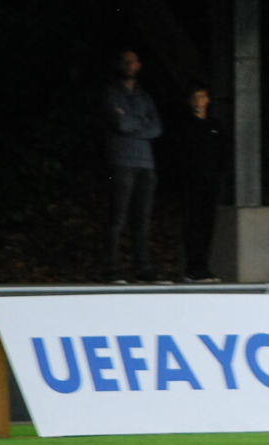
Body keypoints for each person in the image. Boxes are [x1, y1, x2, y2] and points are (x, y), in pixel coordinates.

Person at [102, 49, 163, 283]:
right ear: (119, 65)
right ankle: (111, 269)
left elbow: (156, 128)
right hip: (120, 162)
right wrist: (140, 123)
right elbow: (119, 123)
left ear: (139, 65)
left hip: (146, 164)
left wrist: (130, 121)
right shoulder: (110, 93)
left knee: (142, 220)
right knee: (117, 218)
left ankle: (143, 268)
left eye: (134, 62)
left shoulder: (145, 97)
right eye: (126, 62)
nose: (130, 65)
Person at [171, 84, 226, 283]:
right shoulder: (184, 125)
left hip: (210, 184)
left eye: (201, 97)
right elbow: (179, 155)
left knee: (207, 226)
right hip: (191, 184)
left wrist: (218, 175)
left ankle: (203, 266)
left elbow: (223, 152)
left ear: (207, 100)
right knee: (192, 225)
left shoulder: (214, 125)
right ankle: (192, 268)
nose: (198, 102)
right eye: (194, 98)